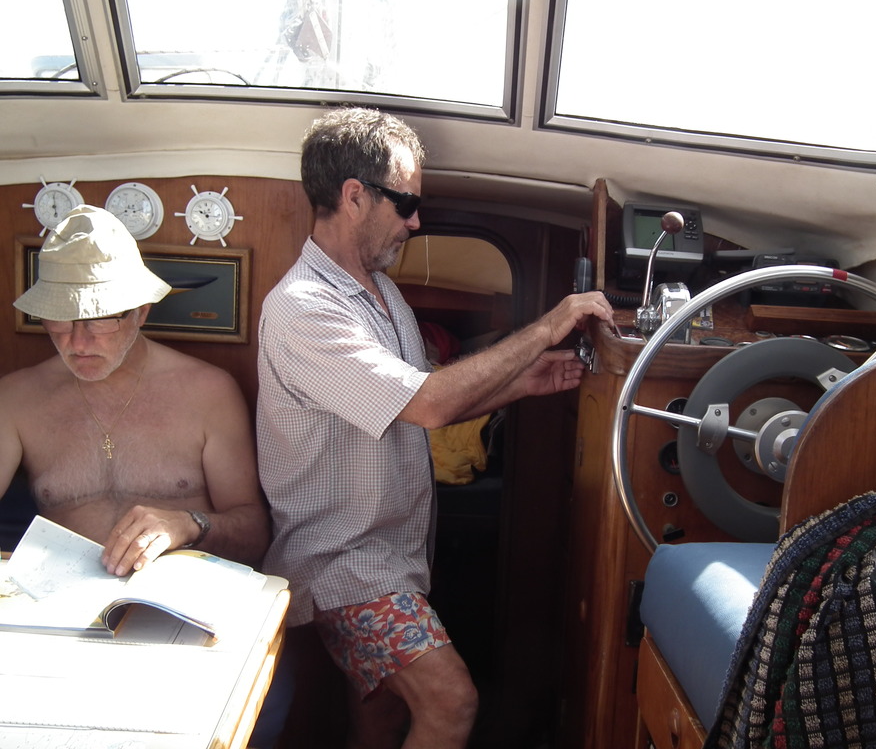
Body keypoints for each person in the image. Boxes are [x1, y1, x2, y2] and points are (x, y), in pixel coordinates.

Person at [256, 106, 615, 749]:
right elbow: (428, 404)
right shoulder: (303, 309)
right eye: (406, 203)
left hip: (396, 557)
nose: (415, 221)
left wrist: (522, 382)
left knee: (385, 718)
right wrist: (545, 327)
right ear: (354, 196)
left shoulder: (381, 293)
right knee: (451, 702)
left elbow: (420, 401)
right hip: (344, 566)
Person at [0, 205, 270, 577]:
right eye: (61, 320)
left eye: (99, 320)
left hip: (180, 592)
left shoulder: (209, 393)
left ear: (141, 312)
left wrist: (188, 524)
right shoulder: (17, 399)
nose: (78, 342)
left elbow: (255, 535)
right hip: (58, 596)